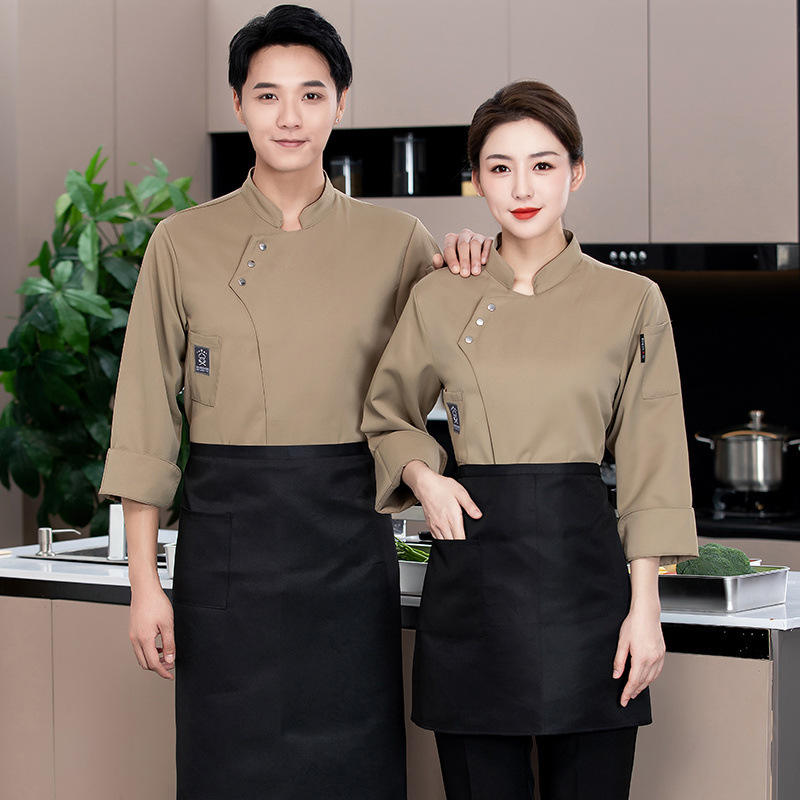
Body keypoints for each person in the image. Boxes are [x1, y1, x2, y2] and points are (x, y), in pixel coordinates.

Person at [99, 5, 489, 798]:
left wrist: (471, 262)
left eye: (311, 94)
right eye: (268, 94)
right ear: (238, 104)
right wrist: (145, 587)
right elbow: (145, 421)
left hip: (346, 551)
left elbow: (456, 373)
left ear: (340, 103)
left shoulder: (398, 241)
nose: (290, 116)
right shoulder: (181, 242)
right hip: (226, 557)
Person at [362, 80, 700, 800]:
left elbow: (653, 458)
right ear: (477, 180)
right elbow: (388, 413)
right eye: (500, 167)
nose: (522, 187)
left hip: (590, 590)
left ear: (576, 172)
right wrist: (425, 477)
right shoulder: (440, 294)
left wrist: (646, 608)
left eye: (543, 165)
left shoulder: (631, 301)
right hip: (474, 581)